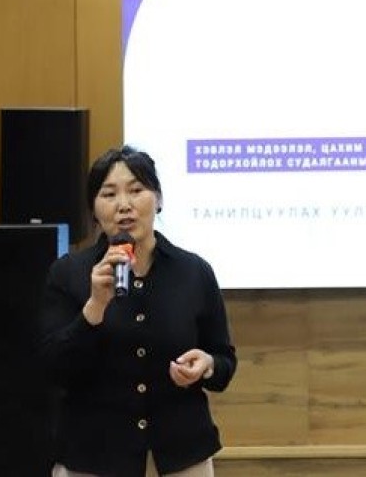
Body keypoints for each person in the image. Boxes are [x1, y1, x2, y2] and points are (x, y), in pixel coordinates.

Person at [39, 145, 237, 477]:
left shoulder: (194, 272)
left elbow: (224, 362)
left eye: (136, 190)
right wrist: (94, 307)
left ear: (158, 199)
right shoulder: (68, 273)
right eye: (109, 194)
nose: (124, 205)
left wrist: (207, 365)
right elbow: (54, 369)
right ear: (94, 209)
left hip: (181, 454)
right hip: (93, 456)